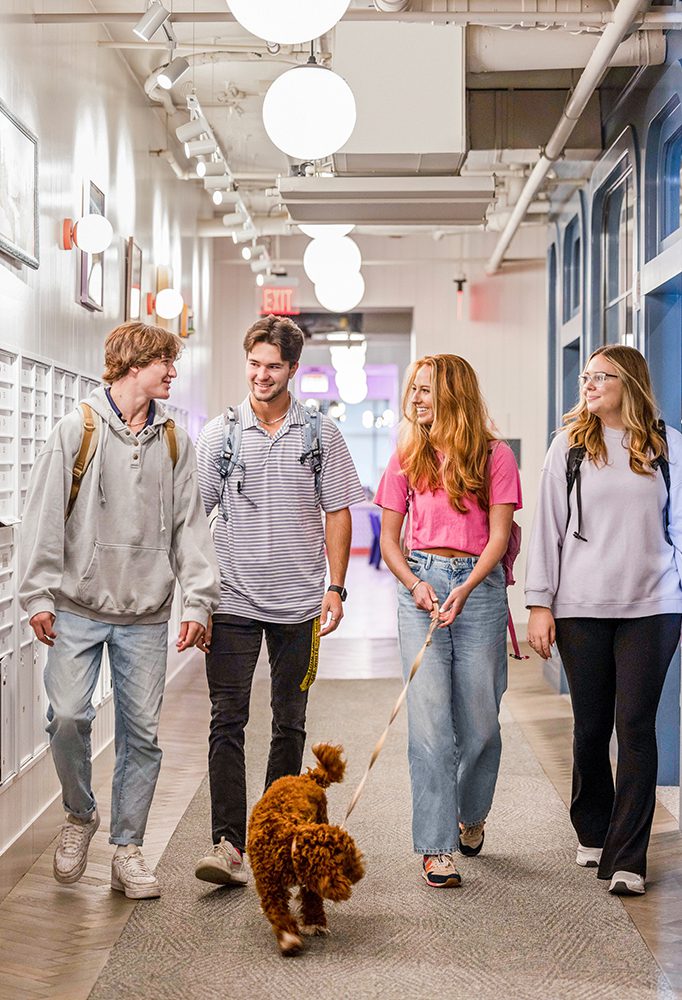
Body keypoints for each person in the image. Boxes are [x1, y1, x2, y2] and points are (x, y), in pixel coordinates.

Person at [19, 321, 220, 900]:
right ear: (135, 365)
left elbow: (190, 528)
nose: (173, 373)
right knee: (67, 717)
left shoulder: (175, 442)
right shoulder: (75, 430)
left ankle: (128, 851)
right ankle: (80, 814)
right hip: (77, 608)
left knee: (142, 737)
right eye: (165, 363)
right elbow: (42, 518)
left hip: (147, 615)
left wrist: (198, 602)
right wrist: (37, 594)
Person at [193, 314, 365, 886]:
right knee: (227, 719)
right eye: (254, 364)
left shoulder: (320, 435)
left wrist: (335, 586)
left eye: (273, 366)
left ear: (293, 369)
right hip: (232, 599)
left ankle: (275, 835)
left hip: (298, 605)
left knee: (289, 723)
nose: (261, 375)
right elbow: (195, 521)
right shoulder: (220, 435)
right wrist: (197, 599)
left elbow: (338, 512)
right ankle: (227, 844)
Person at [526, 344, 682, 896]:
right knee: (591, 727)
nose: (588, 385)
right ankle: (593, 827)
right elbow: (546, 528)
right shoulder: (568, 446)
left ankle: (628, 858)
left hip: (653, 607)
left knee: (635, 726)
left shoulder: (667, 445)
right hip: (581, 608)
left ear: (629, 384)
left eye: (600, 377)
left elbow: (680, 527)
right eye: (586, 377)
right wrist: (539, 603)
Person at [375, 354, 521, 888]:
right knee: (430, 725)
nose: (415, 399)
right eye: (413, 389)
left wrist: (467, 586)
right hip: (422, 582)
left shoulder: (494, 455)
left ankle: (470, 814)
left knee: (481, 725)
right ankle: (437, 847)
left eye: (426, 390)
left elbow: (499, 537)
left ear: (453, 395)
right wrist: (416, 585)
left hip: (479, 587)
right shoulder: (406, 455)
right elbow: (390, 541)